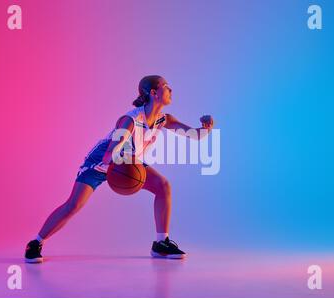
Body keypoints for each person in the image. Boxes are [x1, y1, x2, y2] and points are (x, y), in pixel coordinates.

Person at [24, 75, 214, 263]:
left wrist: (206, 128)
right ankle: (36, 242)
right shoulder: (129, 120)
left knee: (162, 185)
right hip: (99, 164)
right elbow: (109, 155)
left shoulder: (163, 119)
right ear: (154, 93)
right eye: (166, 86)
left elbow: (196, 136)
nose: (171, 89)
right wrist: (121, 160)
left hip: (127, 162)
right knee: (73, 206)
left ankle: (161, 243)